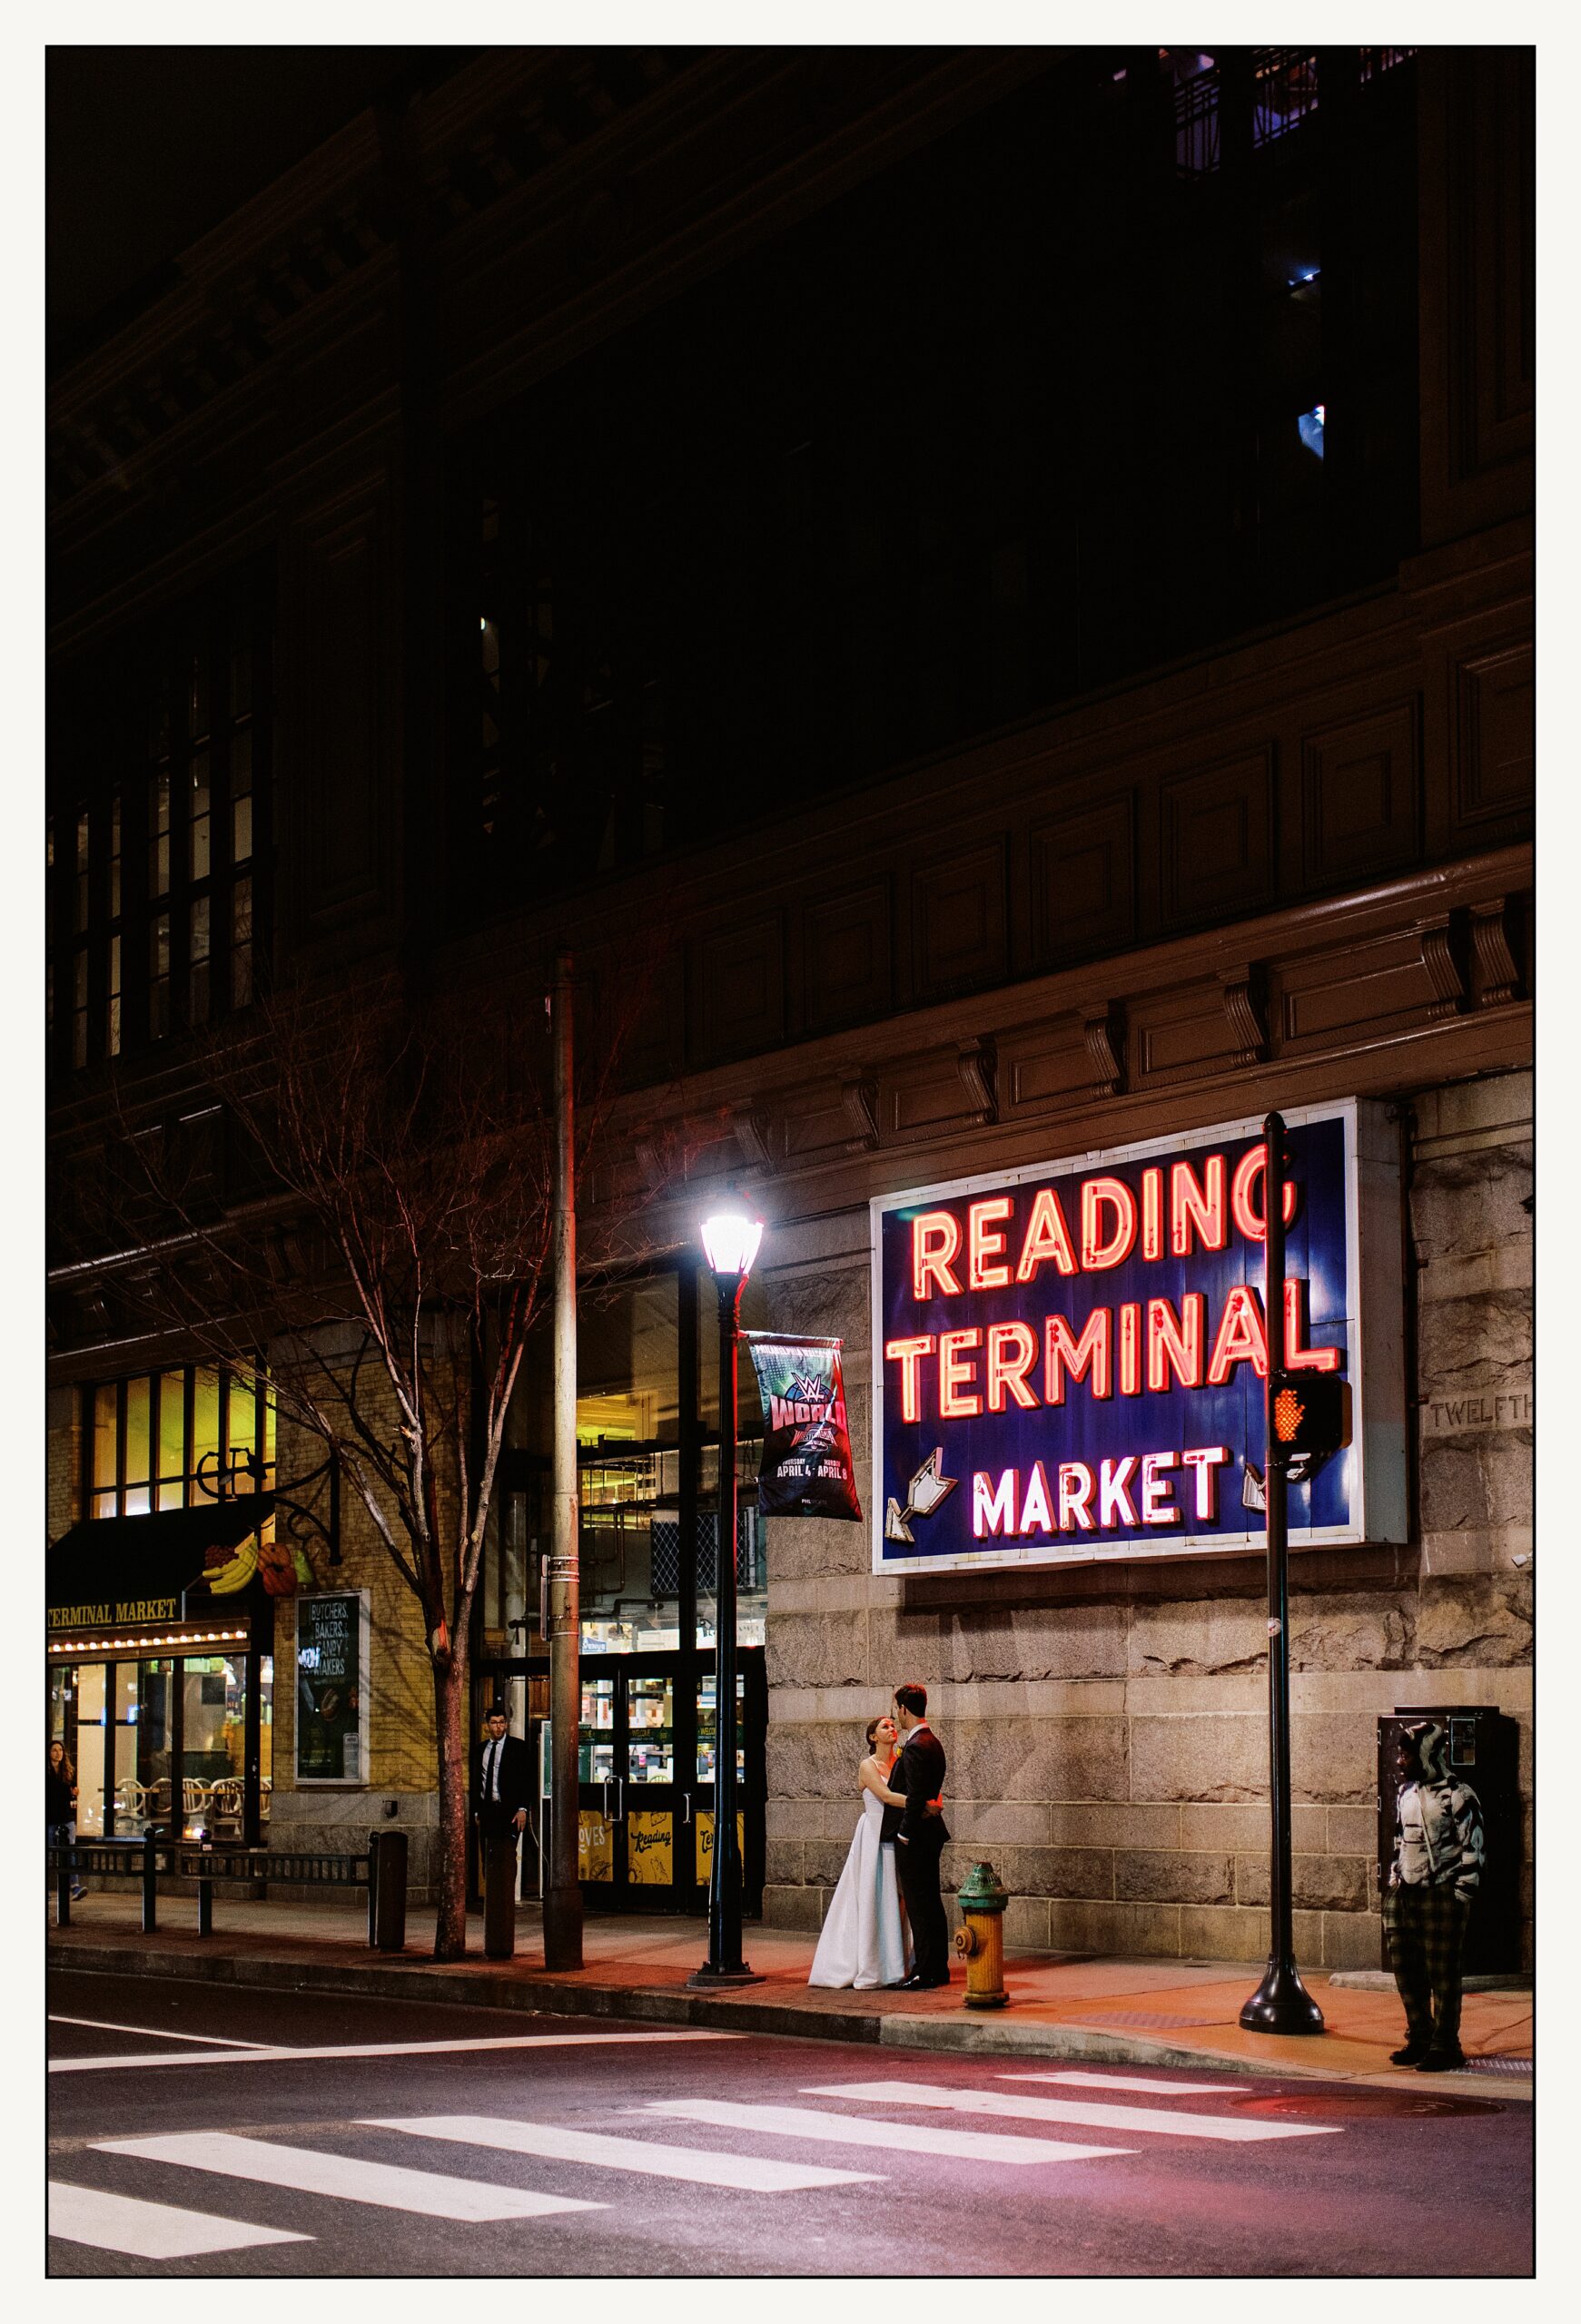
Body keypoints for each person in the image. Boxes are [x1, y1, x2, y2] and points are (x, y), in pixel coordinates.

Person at [1383, 1718, 1485, 2072]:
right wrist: (1395, 1880)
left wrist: (1460, 1894)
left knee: (1443, 1975)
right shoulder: (1405, 1794)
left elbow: (1473, 1846)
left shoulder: (1458, 1794)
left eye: (1407, 1755)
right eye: (1400, 1754)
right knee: (1406, 1972)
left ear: (1426, 1754)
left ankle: (1445, 2045)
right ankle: (1420, 2037)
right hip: (1406, 1892)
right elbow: (1399, 1839)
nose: (1400, 1761)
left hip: (1442, 1893)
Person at [807, 1715, 914, 1989]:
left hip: (895, 1835)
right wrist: (921, 1804)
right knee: (872, 1895)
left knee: (896, 1898)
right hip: (873, 1835)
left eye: (893, 1725)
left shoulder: (899, 1762)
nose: (892, 1729)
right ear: (873, 1737)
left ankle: (896, 1963)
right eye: (884, 1727)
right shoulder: (868, 1766)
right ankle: (871, 1963)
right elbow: (888, 1797)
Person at [884, 1682, 951, 1989]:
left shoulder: (915, 1746)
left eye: (897, 1709)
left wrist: (904, 1835)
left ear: (903, 1710)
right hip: (931, 1834)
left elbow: (913, 1796)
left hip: (917, 1837)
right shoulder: (933, 1742)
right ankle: (938, 1967)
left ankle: (926, 1970)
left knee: (919, 1905)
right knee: (931, 1903)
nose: (896, 1715)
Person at [473, 1706, 533, 1891]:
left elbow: (527, 1779)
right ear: (487, 1726)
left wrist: (523, 1808)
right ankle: (492, 1898)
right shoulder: (480, 1750)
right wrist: (477, 1810)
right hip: (488, 1811)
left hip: (510, 1812)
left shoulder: (518, 1747)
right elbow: (476, 1782)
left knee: (507, 1855)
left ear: (506, 1724)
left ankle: (506, 1895)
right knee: (488, 1856)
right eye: (494, 1723)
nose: (498, 1727)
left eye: (501, 1722)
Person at [47, 1741, 85, 1901]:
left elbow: (72, 1793)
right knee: (48, 1853)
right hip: (48, 1817)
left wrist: (75, 1792)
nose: (58, 1753)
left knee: (70, 1851)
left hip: (66, 1817)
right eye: (54, 1750)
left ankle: (74, 1886)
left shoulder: (68, 1771)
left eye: (60, 1750)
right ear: (49, 1753)